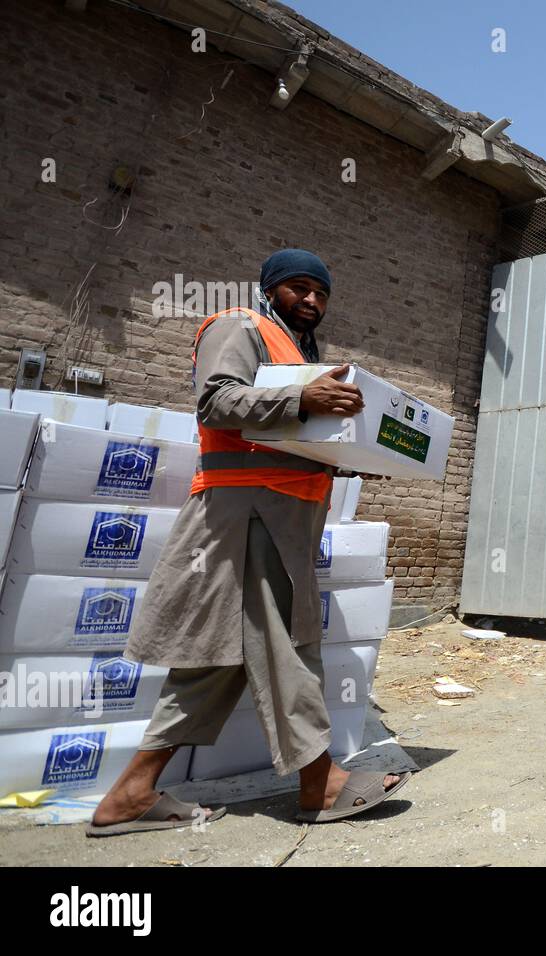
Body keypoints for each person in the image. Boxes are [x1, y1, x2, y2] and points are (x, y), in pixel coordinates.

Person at [87, 249, 411, 836]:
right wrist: (303, 401)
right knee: (288, 645)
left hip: (281, 516)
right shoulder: (240, 325)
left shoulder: (300, 354)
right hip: (246, 516)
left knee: (217, 661)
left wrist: (356, 455)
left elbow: (292, 440)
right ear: (271, 289)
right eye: (299, 287)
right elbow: (216, 399)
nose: (311, 299)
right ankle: (320, 782)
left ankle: (129, 796)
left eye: (321, 292)